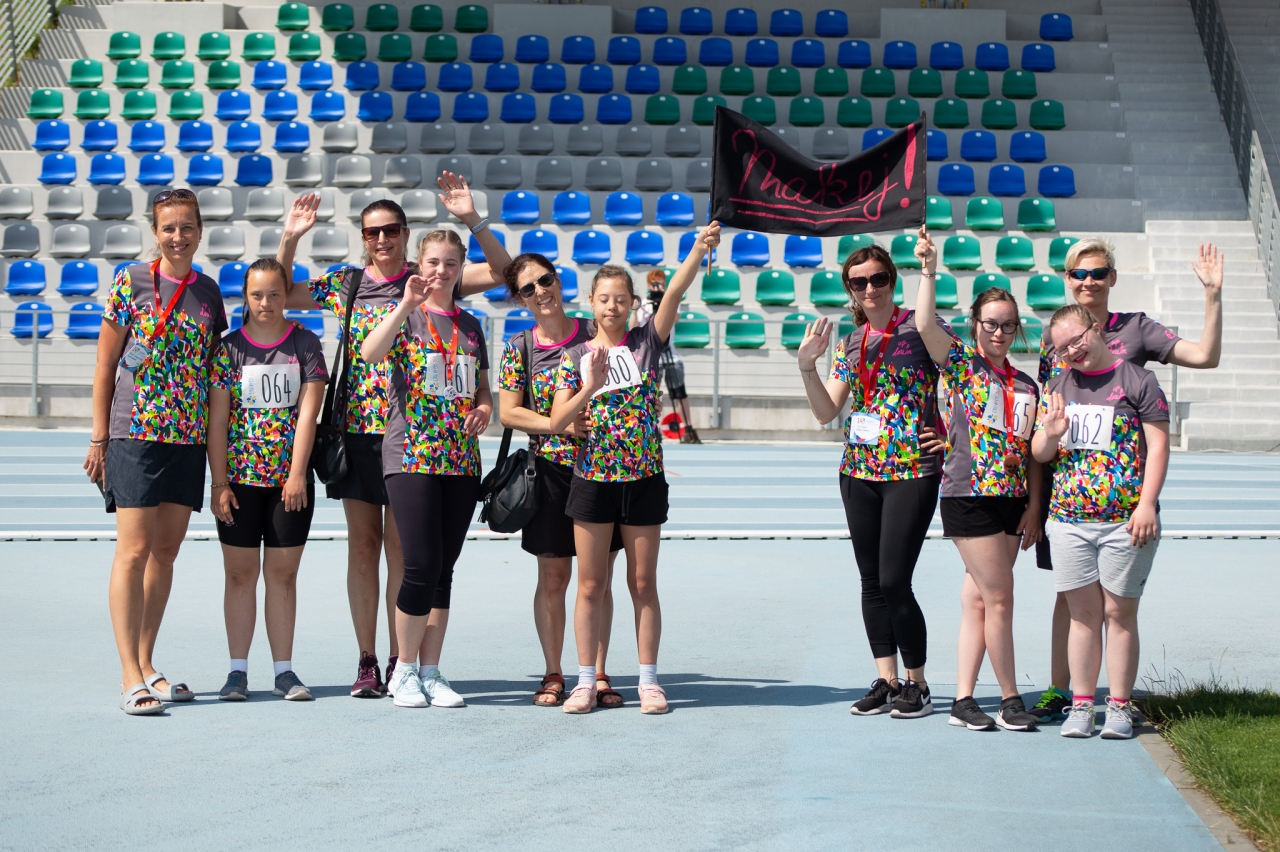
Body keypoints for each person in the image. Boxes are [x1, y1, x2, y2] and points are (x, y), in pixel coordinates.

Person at [277, 174, 511, 697]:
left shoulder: (430, 276)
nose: (381, 239)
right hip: (360, 431)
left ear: (406, 234)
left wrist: (471, 218)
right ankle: (367, 660)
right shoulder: (346, 283)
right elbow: (283, 292)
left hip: (419, 437)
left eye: (390, 230)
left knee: (407, 553)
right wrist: (290, 237)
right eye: (371, 232)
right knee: (363, 547)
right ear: (363, 238)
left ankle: (399, 657)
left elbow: (503, 273)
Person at [1027, 238, 1222, 722]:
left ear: (1112, 277)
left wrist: (1212, 296)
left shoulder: (1136, 329)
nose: (1088, 281)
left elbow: (1204, 356)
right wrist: (1036, 500)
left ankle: (1113, 698)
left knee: (1114, 608)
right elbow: (1047, 425)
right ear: (1067, 279)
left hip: (1121, 496)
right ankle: (1064, 690)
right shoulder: (1057, 341)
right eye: (1079, 274)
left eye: (1098, 272)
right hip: (1068, 496)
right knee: (1070, 598)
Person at [549, 222, 722, 715]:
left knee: (643, 584)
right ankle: (585, 681)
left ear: (632, 303)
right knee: (590, 585)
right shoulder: (575, 355)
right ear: (590, 302)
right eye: (604, 299)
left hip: (642, 480)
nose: (612, 306)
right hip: (592, 481)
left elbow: (677, 290)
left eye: (620, 299)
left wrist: (697, 249)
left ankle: (648, 681)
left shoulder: (648, 341)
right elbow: (558, 421)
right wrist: (588, 386)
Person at [84, 188, 227, 714]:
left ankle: (147, 663)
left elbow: (212, 372)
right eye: (169, 227)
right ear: (155, 231)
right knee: (133, 551)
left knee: (165, 553)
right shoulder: (131, 280)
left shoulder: (209, 293)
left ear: (200, 231)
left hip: (186, 438)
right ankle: (128, 675)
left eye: (187, 227)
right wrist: (99, 435)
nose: (178, 236)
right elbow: (106, 365)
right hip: (136, 434)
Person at [795, 239, 946, 720]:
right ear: (849, 288)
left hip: (911, 470)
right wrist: (806, 366)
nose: (869, 288)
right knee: (872, 582)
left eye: (878, 278)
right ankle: (887, 679)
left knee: (895, 579)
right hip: (859, 470)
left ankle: (918, 685)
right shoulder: (850, 342)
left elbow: (966, 380)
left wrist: (951, 432)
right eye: (858, 281)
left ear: (893, 280)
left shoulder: (921, 328)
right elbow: (826, 411)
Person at [910, 228, 1043, 732]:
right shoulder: (963, 365)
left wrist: (1034, 505)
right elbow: (925, 324)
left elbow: (1033, 452)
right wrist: (928, 269)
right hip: (969, 495)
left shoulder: (1026, 383)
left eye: (1008, 325)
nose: (1000, 333)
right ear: (975, 324)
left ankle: (962, 699)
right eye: (991, 324)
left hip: (1013, 498)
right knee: (1001, 598)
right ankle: (1009, 698)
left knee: (978, 599)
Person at [361, 229, 492, 709]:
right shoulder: (405, 314)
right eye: (434, 262)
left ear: (461, 268)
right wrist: (403, 305)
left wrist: (485, 407)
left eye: (451, 263)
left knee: (443, 570)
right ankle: (403, 670)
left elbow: (482, 387)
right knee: (418, 565)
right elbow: (369, 354)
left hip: (460, 459)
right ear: (419, 264)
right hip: (411, 455)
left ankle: (431, 672)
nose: (442, 271)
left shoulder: (471, 325)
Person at [1031, 304, 1170, 739]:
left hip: (1126, 522)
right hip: (1069, 522)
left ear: (1096, 329)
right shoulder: (1057, 386)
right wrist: (1051, 433)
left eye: (1077, 339)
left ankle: (1120, 707)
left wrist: (1147, 504)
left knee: (1119, 613)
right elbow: (1039, 453)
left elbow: (1158, 446)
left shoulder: (1139, 380)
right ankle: (1082, 704)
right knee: (1082, 615)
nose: (1072, 351)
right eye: (1062, 348)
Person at [496, 253, 627, 708]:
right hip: (550, 472)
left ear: (558, 280)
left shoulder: (596, 332)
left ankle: (598, 673)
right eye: (527, 288)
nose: (540, 292)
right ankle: (554, 671)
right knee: (554, 577)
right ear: (519, 299)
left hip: (604, 468)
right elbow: (508, 412)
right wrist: (561, 426)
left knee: (599, 580)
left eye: (545, 280)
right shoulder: (519, 347)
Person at [207, 258, 327, 701]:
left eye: (274, 293)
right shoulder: (228, 349)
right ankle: (237, 672)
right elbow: (217, 421)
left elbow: (308, 415)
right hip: (238, 485)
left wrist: (296, 475)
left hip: (288, 487)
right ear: (245, 296)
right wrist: (219, 484)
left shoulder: (305, 343)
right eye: (256, 294)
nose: (265, 302)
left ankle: (284, 672)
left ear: (285, 295)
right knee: (239, 576)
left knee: (283, 576)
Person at [633, 269, 701, 444]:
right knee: (650, 394)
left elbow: (676, 318)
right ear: (649, 285)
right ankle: (651, 429)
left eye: (661, 284)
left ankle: (688, 429)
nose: (658, 287)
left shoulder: (670, 300)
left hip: (671, 354)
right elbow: (633, 327)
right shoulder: (644, 304)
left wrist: (663, 301)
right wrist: (635, 310)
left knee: (679, 392)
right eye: (655, 284)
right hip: (650, 356)